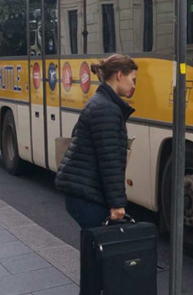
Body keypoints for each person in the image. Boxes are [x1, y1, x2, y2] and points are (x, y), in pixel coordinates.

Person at [56, 54, 138, 229]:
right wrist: (117, 204)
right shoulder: (106, 109)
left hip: (84, 192)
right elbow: (109, 160)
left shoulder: (100, 102)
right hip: (88, 195)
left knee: (95, 242)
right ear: (119, 75)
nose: (134, 85)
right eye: (133, 79)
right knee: (102, 243)